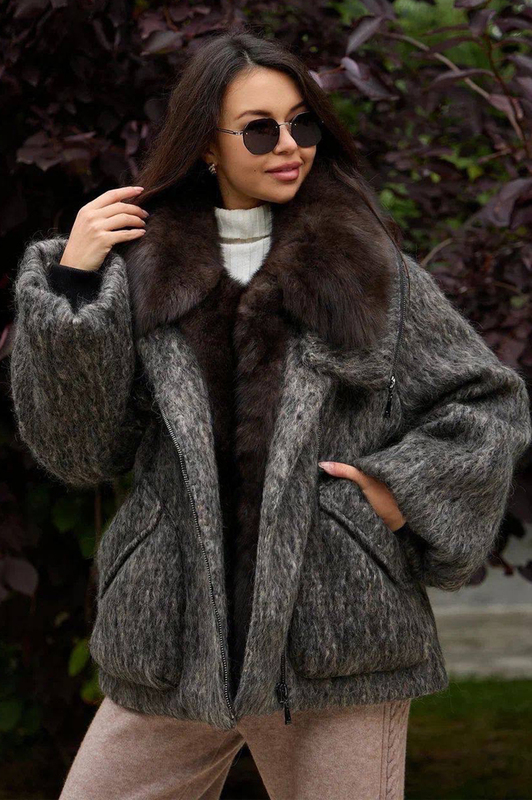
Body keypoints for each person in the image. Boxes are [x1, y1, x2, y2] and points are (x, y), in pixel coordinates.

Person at [9, 27, 531, 800]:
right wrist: (75, 285)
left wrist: (396, 493)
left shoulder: (366, 267)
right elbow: (79, 449)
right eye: (259, 130)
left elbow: (487, 402)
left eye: (302, 124)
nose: (289, 146)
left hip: (336, 635)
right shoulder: (140, 271)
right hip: (174, 638)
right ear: (206, 147)